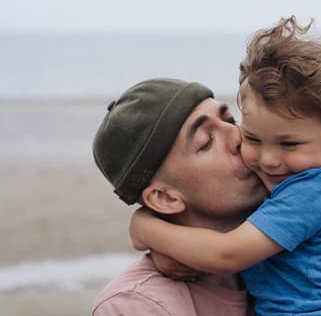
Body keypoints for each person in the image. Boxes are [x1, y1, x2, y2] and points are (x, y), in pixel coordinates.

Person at [130, 17, 321, 316]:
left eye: (289, 144)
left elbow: (226, 254)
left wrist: (145, 229)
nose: (267, 159)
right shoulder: (300, 183)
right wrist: (166, 256)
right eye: (252, 138)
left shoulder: (314, 190)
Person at [91, 78, 267, 315]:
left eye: (230, 120)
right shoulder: (137, 306)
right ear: (164, 198)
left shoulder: (297, 244)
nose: (238, 137)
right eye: (207, 142)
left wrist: (145, 229)